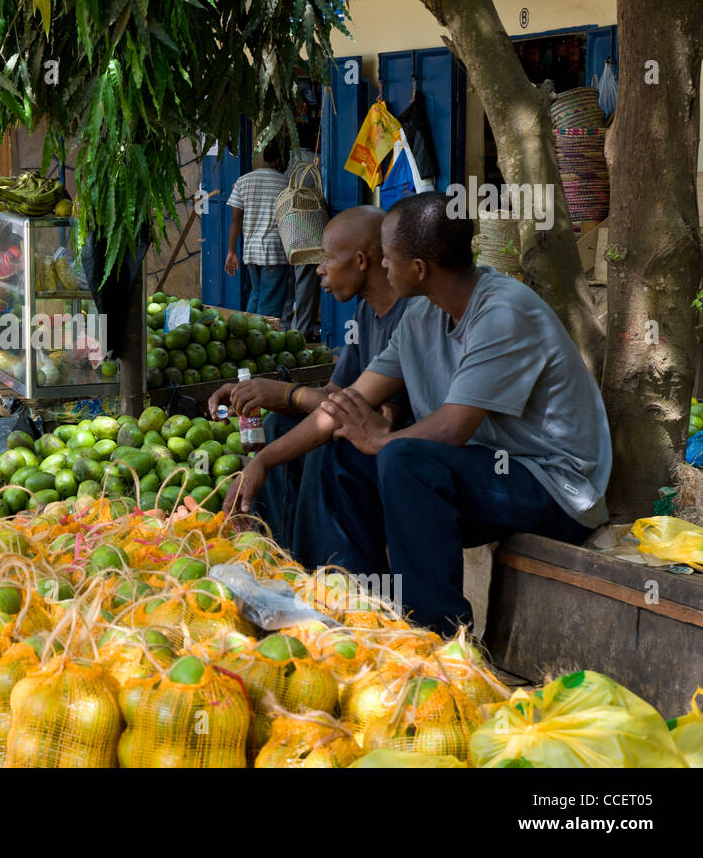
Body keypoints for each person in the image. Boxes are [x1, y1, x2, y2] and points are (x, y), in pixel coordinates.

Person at [249, 192, 611, 635]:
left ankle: (438, 638)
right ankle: (362, 614)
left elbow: (453, 429)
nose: (381, 267)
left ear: (419, 269)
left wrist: (382, 440)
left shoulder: (502, 312)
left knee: (402, 459)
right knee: (344, 452)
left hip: (551, 487)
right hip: (475, 474)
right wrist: (264, 460)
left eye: (389, 259)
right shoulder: (422, 314)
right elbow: (344, 406)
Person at [216, 206, 410, 566]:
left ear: (361, 261)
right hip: (359, 424)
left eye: (327, 259)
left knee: (323, 446)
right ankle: (272, 553)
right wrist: (268, 395)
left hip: (397, 443)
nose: (319, 269)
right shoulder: (366, 312)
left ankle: (309, 569)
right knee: (277, 425)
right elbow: (335, 397)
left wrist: (288, 393)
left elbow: (353, 412)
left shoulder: (409, 317)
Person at [224, 142, 291, 318]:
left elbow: (235, 219)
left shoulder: (243, 181)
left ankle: (245, 335)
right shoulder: (286, 183)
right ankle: (261, 340)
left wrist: (231, 251)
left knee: (257, 294)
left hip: (251, 252)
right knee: (269, 305)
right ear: (279, 161)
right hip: (276, 252)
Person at [283, 123, 324, 341]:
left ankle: (288, 328)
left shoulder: (289, 161)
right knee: (307, 283)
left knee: (291, 284)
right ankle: (302, 332)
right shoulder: (315, 162)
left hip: (286, 230)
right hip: (309, 232)